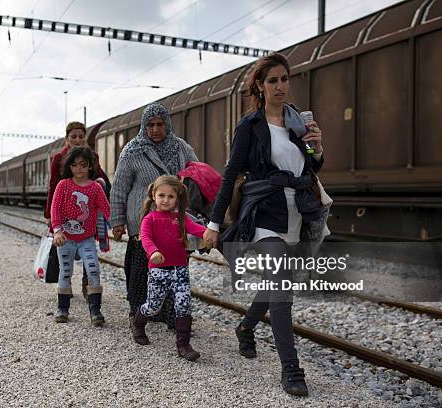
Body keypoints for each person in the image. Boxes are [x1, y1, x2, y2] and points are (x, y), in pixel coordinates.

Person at [203, 53, 326, 397]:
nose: (280, 86)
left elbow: (312, 169)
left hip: (297, 212)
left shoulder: (297, 122)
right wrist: (214, 222)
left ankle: (245, 327)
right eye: (272, 80)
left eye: (284, 79)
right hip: (264, 213)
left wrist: (316, 149)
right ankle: (291, 369)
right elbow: (230, 175)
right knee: (283, 285)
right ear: (260, 85)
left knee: (277, 280)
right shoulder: (250, 126)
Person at [110, 102, 198, 328]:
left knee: (175, 270)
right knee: (141, 270)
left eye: (160, 124)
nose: (155, 129)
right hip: (143, 222)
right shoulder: (132, 151)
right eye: (150, 125)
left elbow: (197, 173)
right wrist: (117, 221)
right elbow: (119, 188)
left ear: (167, 124)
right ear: (144, 126)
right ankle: (137, 312)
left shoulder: (181, 148)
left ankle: (173, 316)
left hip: (174, 221)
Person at [131, 176, 206, 361]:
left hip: (180, 269)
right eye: (161, 195)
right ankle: (138, 322)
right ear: (153, 196)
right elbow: (146, 239)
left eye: (171, 196)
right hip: (159, 270)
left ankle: (183, 345)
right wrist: (153, 252)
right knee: (154, 306)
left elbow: (195, 228)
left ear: (178, 198)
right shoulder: (150, 219)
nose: (166, 200)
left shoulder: (180, 218)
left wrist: (209, 233)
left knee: (183, 304)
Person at [44, 121, 110, 297]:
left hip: (87, 212)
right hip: (64, 212)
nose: (78, 139)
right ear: (67, 139)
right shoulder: (59, 158)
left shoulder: (91, 157)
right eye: (73, 136)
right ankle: (65, 285)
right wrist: (49, 214)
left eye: (81, 136)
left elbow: (100, 177)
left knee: (89, 250)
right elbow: (53, 185)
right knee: (64, 248)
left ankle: (87, 283)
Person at [51, 147, 111, 325]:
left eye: (83, 165)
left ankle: (95, 310)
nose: (79, 168)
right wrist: (57, 230)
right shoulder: (63, 185)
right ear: (69, 166)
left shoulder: (95, 188)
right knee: (65, 272)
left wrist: (116, 225)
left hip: (86, 240)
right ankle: (62, 308)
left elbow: (106, 209)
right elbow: (55, 209)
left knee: (93, 270)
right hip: (66, 239)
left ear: (90, 166)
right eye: (75, 165)